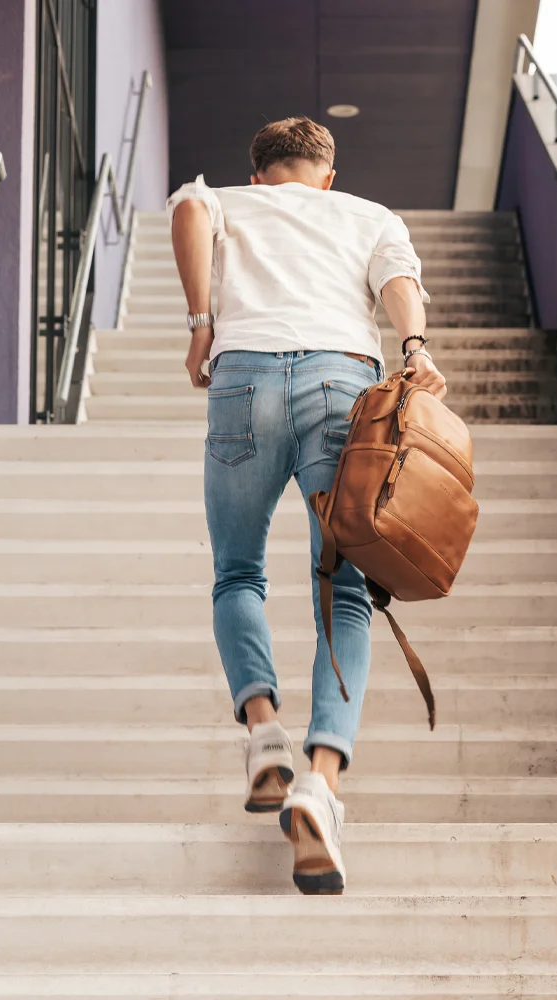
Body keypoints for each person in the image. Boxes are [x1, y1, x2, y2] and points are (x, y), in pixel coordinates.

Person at [167, 116, 447, 894]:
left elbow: (189, 211)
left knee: (236, 574)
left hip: (242, 380)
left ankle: (263, 737)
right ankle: (321, 780)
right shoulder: (365, 214)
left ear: (259, 176)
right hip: (339, 382)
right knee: (346, 591)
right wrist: (415, 349)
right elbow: (399, 283)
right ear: (328, 175)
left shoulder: (223, 199)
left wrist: (200, 327)